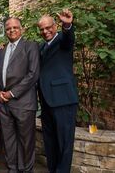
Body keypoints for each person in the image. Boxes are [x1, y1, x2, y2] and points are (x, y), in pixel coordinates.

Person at [0, 17, 40, 172]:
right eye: (8, 28)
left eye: (15, 27)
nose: (11, 30)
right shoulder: (0, 51)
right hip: (3, 104)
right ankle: (12, 169)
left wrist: (12, 93)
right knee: (8, 140)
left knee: (26, 141)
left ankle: (26, 170)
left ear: (22, 29)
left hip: (23, 103)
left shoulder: (30, 46)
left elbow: (33, 74)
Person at [37, 9, 77, 173]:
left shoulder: (62, 39)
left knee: (64, 142)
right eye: (42, 29)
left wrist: (67, 25)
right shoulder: (40, 47)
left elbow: (69, 39)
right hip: (46, 101)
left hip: (63, 100)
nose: (45, 31)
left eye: (48, 27)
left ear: (55, 26)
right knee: (50, 142)